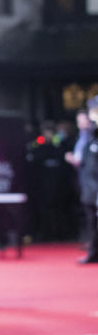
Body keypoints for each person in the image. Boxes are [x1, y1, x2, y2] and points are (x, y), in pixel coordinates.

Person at [65, 106, 98, 263]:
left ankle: (93, 252)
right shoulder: (84, 139)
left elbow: (91, 166)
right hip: (87, 185)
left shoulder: (92, 138)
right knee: (91, 220)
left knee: (93, 220)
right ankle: (93, 251)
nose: (79, 124)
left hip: (93, 187)